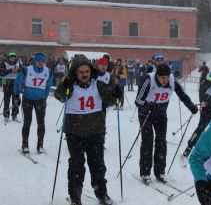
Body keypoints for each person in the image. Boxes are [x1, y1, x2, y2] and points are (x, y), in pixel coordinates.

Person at [55, 54, 122, 205]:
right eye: (81, 72)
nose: (84, 74)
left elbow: (112, 99)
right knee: (77, 166)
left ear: (90, 71)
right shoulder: (70, 85)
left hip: (95, 132)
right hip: (74, 132)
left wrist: (118, 95)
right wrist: (64, 84)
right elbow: (59, 96)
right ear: (75, 72)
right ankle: (75, 197)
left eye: (87, 71)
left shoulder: (97, 85)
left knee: (97, 166)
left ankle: (101, 194)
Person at [135, 63, 199, 184]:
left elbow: (183, 95)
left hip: (161, 114)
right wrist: (146, 105)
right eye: (162, 78)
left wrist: (191, 107)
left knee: (161, 142)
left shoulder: (172, 81)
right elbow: (138, 100)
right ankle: (145, 173)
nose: (165, 80)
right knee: (147, 141)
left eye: (167, 77)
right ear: (157, 76)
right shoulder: (149, 80)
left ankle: (160, 172)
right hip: (146, 114)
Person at [14, 53, 53, 153]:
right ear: (35, 61)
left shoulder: (48, 71)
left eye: (43, 61)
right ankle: (25, 145)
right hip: (28, 99)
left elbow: (48, 85)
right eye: (39, 61)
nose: (41, 63)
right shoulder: (27, 69)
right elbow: (17, 82)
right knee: (27, 122)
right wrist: (16, 95)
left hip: (40, 100)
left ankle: (40, 145)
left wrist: (45, 97)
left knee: (41, 123)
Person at [0, 52, 21, 122]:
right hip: (7, 83)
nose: (13, 58)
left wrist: (18, 70)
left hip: (15, 83)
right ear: (8, 57)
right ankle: (6, 115)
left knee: (15, 100)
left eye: (14, 57)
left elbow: (22, 72)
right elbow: (1, 73)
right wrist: (10, 70)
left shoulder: (18, 63)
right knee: (6, 100)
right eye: (11, 57)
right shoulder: (4, 63)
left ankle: (14, 115)